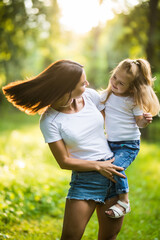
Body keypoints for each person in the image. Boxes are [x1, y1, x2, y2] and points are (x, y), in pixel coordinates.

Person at [3, 59, 127, 240]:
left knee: (109, 236)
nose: (88, 84)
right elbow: (64, 161)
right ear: (67, 88)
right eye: (82, 83)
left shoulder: (90, 96)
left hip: (114, 175)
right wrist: (98, 166)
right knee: (70, 237)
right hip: (85, 181)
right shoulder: (50, 120)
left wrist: (140, 117)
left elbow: (116, 114)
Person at [100, 58, 160, 219]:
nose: (115, 83)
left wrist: (145, 121)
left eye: (121, 83)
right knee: (104, 168)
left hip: (128, 145)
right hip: (109, 143)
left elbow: (139, 123)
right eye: (114, 78)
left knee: (116, 167)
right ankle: (106, 196)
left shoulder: (134, 101)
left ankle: (124, 201)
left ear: (132, 87)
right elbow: (97, 112)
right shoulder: (106, 95)